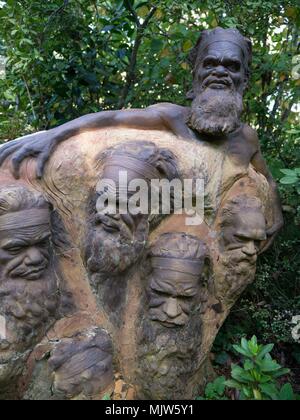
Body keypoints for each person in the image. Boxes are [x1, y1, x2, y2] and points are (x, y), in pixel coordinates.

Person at [0, 27, 283, 251]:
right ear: (196, 74)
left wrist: (276, 214)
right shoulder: (172, 118)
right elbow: (112, 118)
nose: (219, 72)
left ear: (244, 79)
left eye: (231, 66)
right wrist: (53, 135)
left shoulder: (246, 139)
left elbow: (266, 178)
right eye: (210, 64)